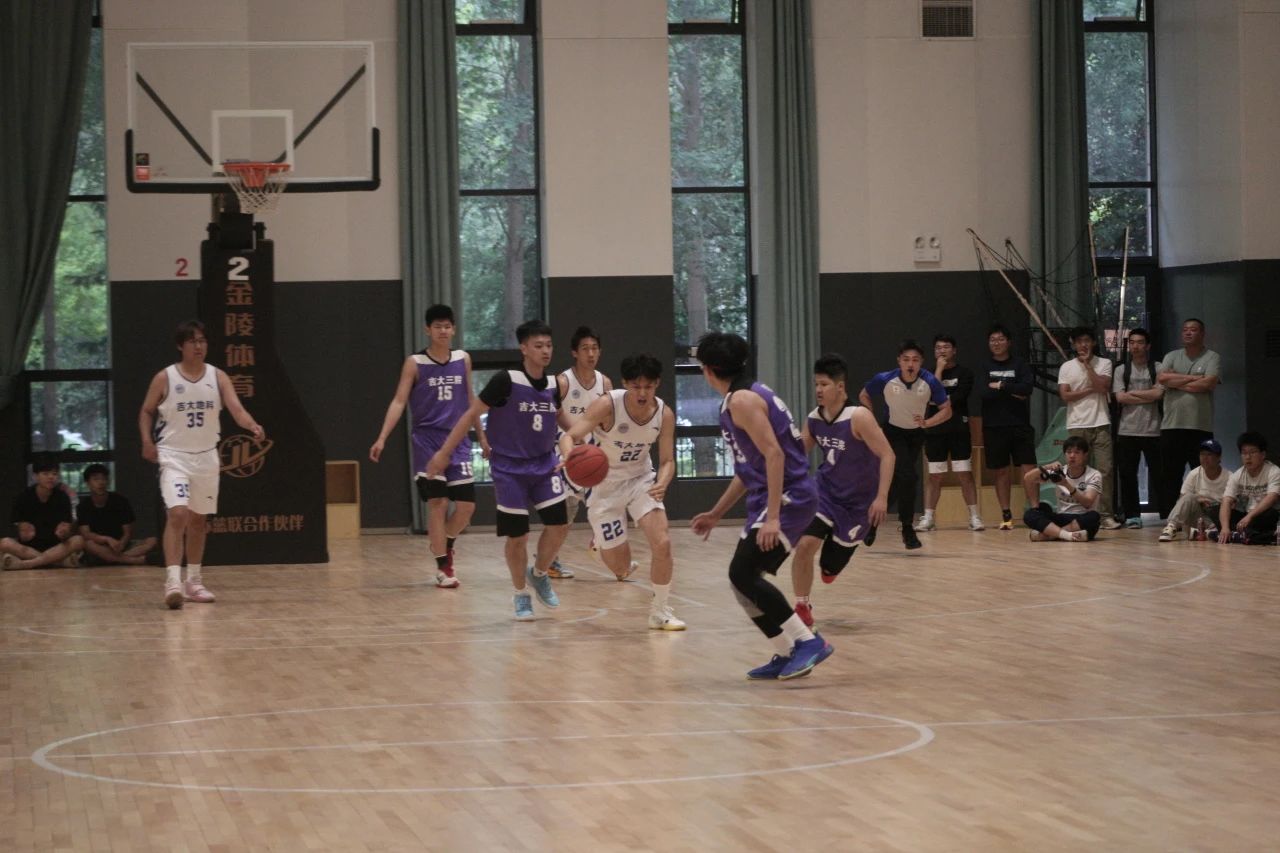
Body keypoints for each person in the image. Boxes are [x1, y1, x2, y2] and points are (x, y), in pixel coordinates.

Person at [690, 332, 832, 681]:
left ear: (708, 369)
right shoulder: (742, 396)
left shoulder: (742, 400)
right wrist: (717, 513)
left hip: (790, 496)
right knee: (740, 581)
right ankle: (786, 651)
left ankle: (808, 641)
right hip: (770, 495)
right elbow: (749, 468)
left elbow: (774, 454)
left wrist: (773, 518)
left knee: (742, 574)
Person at [428, 319, 570, 621]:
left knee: (559, 525)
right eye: (538, 345)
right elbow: (470, 414)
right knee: (518, 536)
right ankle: (520, 594)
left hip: (545, 465)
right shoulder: (506, 380)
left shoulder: (554, 384)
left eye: (549, 345)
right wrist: (443, 453)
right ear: (524, 348)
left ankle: (539, 573)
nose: (545, 351)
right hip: (509, 469)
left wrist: (585, 437)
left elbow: (560, 418)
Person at [139, 319, 265, 609]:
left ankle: (193, 581)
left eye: (203, 341)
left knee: (198, 520)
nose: (199, 346)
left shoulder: (217, 376)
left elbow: (237, 409)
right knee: (178, 514)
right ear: (180, 345)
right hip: (173, 456)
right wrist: (147, 441)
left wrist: (252, 425)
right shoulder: (165, 377)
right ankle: (172, 581)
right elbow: (146, 411)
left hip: (206, 456)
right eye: (193, 341)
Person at [558, 353, 683, 630]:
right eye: (636, 386)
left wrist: (663, 482)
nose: (642, 393)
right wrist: (569, 457)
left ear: (657, 384)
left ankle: (660, 611)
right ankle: (600, 544)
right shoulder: (607, 405)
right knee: (621, 568)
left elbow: (667, 460)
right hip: (604, 486)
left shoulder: (664, 414)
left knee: (662, 543)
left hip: (640, 479)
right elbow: (569, 436)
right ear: (625, 384)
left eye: (648, 387)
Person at [369, 304, 488, 588]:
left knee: (466, 507)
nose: (443, 331)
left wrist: (482, 437)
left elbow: (471, 400)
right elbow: (399, 401)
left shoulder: (463, 359)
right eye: (437, 326)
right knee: (438, 502)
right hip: (427, 442)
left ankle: (445, 543)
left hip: (458, 440)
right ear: (427, 330)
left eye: (447, 326)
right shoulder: (415, 363)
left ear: (454, 329)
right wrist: (382, 437)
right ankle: (443, 566)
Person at [791, 354, 893, 629]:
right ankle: (802, 606)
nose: (818, 390)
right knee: (805, 545)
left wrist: (881, 497)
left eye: (824, 384)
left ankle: (832, 563)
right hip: (824, 493)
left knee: (829, 569)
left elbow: (888, 455)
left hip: (859, 504)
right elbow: (798, 457)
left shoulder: (859, 416)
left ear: (840, 386)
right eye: (816, 384)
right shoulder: (814, 418)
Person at [859, 340, 951, 550]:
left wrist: (927, 422)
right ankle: (908, 529)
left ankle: (872, 524)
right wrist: (871, 419)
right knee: (909, 476)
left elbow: (947, 409)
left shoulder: (930, 382)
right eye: (906, 359)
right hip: (892, 434)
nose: (910, 364)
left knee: (896, 483)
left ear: (921, 362)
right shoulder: (885, 379)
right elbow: (864, 394)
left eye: (915, 360)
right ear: (899, 361)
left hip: (916, 435)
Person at [550, 325, 613, 579]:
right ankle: (551, 560)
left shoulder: (604, 383)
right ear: (574, 352)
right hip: (565, 453)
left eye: (595, 348)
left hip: (593, 455)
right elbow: (553, 415)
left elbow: (608, 419)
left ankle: (603, 547)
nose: (591, 353)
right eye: (585, 348)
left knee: (607, 504)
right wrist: (574, 439)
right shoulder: (563, 381)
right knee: (566, 513)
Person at [917, 334, 982, 532]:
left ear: (954, 350)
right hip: (935, 431)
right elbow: (929, 396)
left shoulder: (965, 373)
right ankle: (929, 518)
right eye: (938, 348)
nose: (942, 351)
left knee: (964, 473)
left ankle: (974, 517)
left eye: (946, 347)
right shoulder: (926, 374)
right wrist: (938, 370)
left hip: (958, 430)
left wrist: (939, 399)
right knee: (935, 476)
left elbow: (952, 400)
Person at [978, 324, 1039, 530]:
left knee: (1029, 468)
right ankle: (1006, 514)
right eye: (992, 340)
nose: (996, 343)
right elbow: (984, 393)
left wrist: (1001, 386)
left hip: (1020, 424)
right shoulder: (984, 365)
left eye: (1000, 339)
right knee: (1001, 471)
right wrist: (1014, 391)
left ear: (1009, 342)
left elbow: (1027, 389)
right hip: (994, 426)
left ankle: (1036, 510)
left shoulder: (1019, 364)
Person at [1057, 327, 1119, 529]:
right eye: (1079, 341)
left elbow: (1103, 387)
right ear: (1074, 345)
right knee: (1076, 469)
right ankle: (1079, 512)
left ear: (1093, 343)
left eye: (1086, 340)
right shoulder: (1067, 367)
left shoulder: (1104, 363)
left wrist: (1088, 366)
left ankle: (1105, 515)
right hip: (1077, 423)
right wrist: (1090, 389)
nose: (1083, 345)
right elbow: (1065, 395)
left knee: (1105, 470)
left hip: (1100, 422)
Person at [1158, 318, 1221, 515]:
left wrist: (1176, 381)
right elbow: (1162, 378)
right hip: (1172, 425)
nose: (1188, 333)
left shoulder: (1212, 357)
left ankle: (1203, 517)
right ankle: (1171, 517)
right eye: (1185, 329)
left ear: (1202, 334)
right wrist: (1194, 378)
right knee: (1171, 474)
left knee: (1202, 472)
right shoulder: (1171, 356)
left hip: (1200, 426)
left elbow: (1208, 383)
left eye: (1193, 330)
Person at [1112, 328, 1164, 527]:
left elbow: (1159, 394)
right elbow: (1120, 397)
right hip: (1127, 430)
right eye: (1132, 342)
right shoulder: (1121, 370)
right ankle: (1132, 515)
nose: (1135, 346)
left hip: (1154, 429)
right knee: (1127, 475)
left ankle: (1168, 514)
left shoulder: (1158, 367)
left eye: (1140, 342)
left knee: (1160, 474)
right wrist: (1148, 394)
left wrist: (1133, 394)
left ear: (1148, 345)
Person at [1, 457, 84, 570]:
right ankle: (58, 562)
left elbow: (66, 528)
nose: (51, 477)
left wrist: (64, 532)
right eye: (45, 474)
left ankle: (26, 564)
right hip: (30, 547)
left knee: (78, 540)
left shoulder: (62, 497)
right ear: (35, 476)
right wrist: (23, 533)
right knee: (4, 542)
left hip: (56, 546)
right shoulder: (23, 497)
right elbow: (19, 530)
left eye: (54, 474)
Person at [1022, 435, 1103, 542]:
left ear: (1085, 455)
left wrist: (1066, 484)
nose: (1072, 456)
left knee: (1094, 517)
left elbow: (1087, 503)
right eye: (1069, 452)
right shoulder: (1059, 471)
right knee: (1030, 514)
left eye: (1077, 452)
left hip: (1081, 518)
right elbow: (1027, 479)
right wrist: (1047, 467)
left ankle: (1049, 535)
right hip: (1061, 517)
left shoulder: (1094, 474)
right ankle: (1068, 535)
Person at [76, 463, 158, 566]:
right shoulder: (83, 506)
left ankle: (112, 559)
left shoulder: (120, 501)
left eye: (104, 479)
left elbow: (128, 531)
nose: (101, 483)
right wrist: (106, 539)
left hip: (121, 545)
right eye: (96, 479)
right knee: (88, 544)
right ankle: (131, 560)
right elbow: (86, 534)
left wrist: (121, 543)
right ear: (88, 483)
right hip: (99, 546)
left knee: (153, 541)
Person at [1158, 438, 1230, 541]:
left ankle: (1206, 533)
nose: (1205, 458)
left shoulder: (1229, 477)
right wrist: (1197, 498)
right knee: (1189, 497)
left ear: (1219, 457)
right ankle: (1171, 527)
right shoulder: (1194, 474)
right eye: (1202, 454)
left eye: (1209, 454)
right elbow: (1183, 499)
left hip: (1219, 517)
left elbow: (1233, 503)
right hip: (1200, 516)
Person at [1216, 431, 1280, 545]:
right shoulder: (1237, 475)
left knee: (1266, 516)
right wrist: (1225, 527)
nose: (1248, 457)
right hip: (1247, 516)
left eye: (1252, 452)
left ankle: (1243, 535)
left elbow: (1272, 497)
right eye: (1244, 453)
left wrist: (1249, 516)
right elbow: (1226, 500)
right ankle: (1238, 534)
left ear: (1263, 455)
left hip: (1267, 515)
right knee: (1217, 512)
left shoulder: (1274, 471)